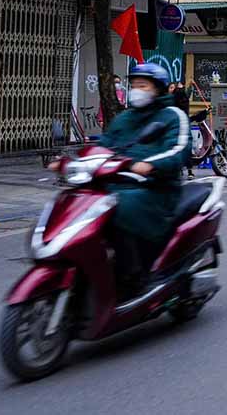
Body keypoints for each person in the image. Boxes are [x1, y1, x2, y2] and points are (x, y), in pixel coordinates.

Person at [63, 63, 190, 298]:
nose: (136, 90)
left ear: (158, 89)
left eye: (143, 85)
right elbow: (104, 145)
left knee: (119, 208)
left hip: (156, 188)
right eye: (133, 85)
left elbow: (179, 149)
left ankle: (133, 276)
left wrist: (151, 165)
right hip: (116, 183)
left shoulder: (173, 116)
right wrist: (72, 162)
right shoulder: (124, 118)